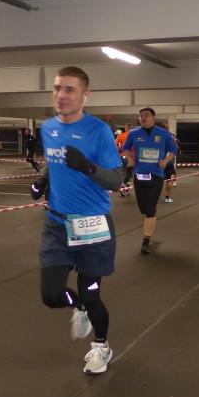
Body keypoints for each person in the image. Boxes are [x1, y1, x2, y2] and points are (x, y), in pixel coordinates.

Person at [29, 66, 123, 375]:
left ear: (85, 95)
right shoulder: (48, 128)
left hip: (93, 227)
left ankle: (101, 346)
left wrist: (87, 167)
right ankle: (77, 304)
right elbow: (53, 161)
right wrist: (41, 180)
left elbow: (116, 180)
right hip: (57, 225)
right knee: (51, 294)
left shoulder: (99, 131)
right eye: (57, 88)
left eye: (69, 89)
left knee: (93, 294)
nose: (61, 95)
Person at [122, 107, 177, 254]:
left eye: (146, 115)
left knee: (150, 209)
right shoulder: (134, 133)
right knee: (143, 209)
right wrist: (130, 158)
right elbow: (126, 149)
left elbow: (173, 150)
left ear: (153, 117)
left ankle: (146, 240)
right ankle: (149, 213)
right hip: (139, 174)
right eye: (141, 116)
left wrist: (165, 161)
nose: (143, 118)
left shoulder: (164, 134)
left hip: (156, 174)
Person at [161, 123, 181, 203]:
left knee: (155, 180)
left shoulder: (155, 135)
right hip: (167, 161)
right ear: (168, 128)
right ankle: (167, 198)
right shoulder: (171, 136)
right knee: (168, 180)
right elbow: (177, 149)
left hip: (156, 161)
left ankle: (152, 197)